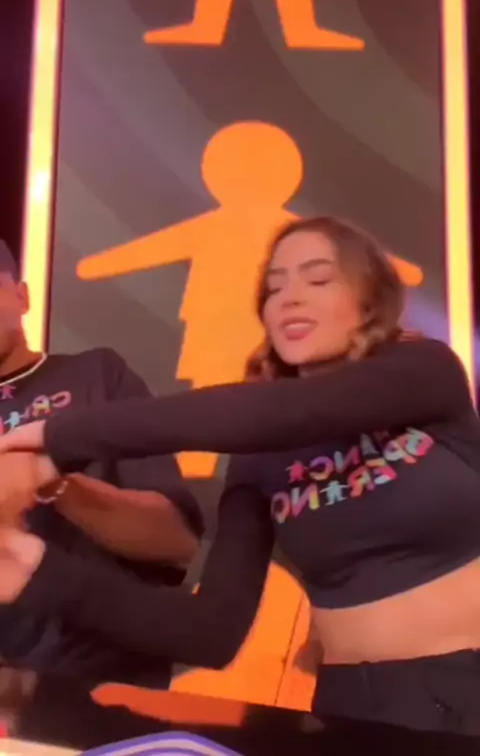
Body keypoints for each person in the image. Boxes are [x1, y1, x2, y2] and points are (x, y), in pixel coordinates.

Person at [0, 217, 480, 736]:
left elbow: (283, 412)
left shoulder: (424, 371)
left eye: (319, 279)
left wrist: (52, 443)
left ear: (369, 301)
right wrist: (39, 571)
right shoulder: (260, 456)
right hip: (351, 708)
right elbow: (210, 633)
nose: (290, 298)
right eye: (274, 288)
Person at [0, 240, 203, 688]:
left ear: (23, 296)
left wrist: (52, 482)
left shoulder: (95, 375)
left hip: (101, 680)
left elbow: (175, 541)